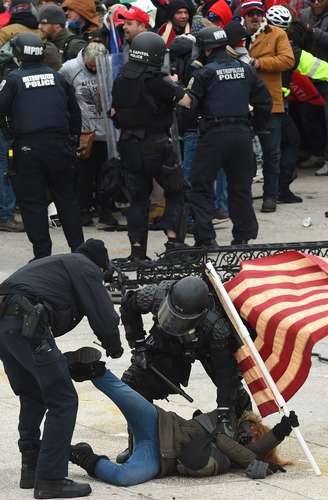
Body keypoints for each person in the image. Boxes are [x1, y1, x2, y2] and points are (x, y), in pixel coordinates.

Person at [66, 347, 298, 486]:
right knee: (127, 396)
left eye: (254, 438)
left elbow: (252, 453)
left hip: (159, 457)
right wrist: (280, 430)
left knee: (124, 477)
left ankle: (83, 456)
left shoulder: (235, 457)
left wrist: (280, 433)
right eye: (253, 430)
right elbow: (234, 392)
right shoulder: (229, 418)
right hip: (161, 424)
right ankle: (93, 370)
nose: (249, 435)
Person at [0, 239, 123, 499]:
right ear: (100, 266)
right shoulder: (86, 266)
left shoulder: (58, 264)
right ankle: (51, 479)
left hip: (6, 326)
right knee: (64, 400)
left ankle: (31, 468)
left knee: (33, 393)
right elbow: (103, 314)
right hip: (27, 322)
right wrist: (114, 346)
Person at [117, 275, 250, 462]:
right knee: (133, 384)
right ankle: (140, 444)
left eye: (181, 319)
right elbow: (129, 303)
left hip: (206, 346)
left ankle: (244, 436)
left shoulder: (217, 327)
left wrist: (224, 413)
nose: (174, 321)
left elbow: (225, 372)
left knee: (232, 394)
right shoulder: (156, 294)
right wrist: (138, 346)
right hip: (168, 341)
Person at [183, 26, 272, 249]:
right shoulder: (246, 69)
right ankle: (243, 237)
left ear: (206, 50)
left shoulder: (204, 73)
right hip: (242, 134)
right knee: (240, 187)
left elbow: (189, 107)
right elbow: (265, 102)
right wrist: (254, 127)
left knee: (200, 185)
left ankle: (205, 238)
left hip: (213, 135)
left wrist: (190, 126)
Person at [0, 32, 84, 259]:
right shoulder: (57, 77)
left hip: (28, 148)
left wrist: (9, 133)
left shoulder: (13, 80)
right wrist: (73, 139)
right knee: (68, 200)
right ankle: (79, 252)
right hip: (61, 147)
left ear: (18, 54)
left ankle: (42, 256)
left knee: (33, 203)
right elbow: (75, 112)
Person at [111, 31, 190, 261]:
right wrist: (176, 85)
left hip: (128, 146)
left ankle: (137, 252)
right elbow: (186, 101)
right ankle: (174, 243)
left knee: (137, 200)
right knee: (176, 190)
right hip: (156, 145)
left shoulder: (121, 78)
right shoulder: (157, 79)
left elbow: (113, 112)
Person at [242, 0, 295, 213]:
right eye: (251, 13)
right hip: (240, 104)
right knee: (242, 155)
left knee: (271, 153)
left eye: (258, 13)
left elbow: (287, 60)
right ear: (244, 16)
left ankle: (270, 196)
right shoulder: (236, 34)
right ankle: (241, 198)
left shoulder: (277, 34)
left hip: (269, 104)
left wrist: (258, 63)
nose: (255, 17)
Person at [60, 41, 118, 228]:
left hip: (107, 130)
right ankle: (83, 210)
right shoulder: (70, 68)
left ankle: (106, 210)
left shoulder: (110, 65)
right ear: (84, 58)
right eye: (91, 66)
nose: (94, 69)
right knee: (84, 174)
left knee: (108, 174)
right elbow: (61, 93)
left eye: (97, 66)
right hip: (84, 131)